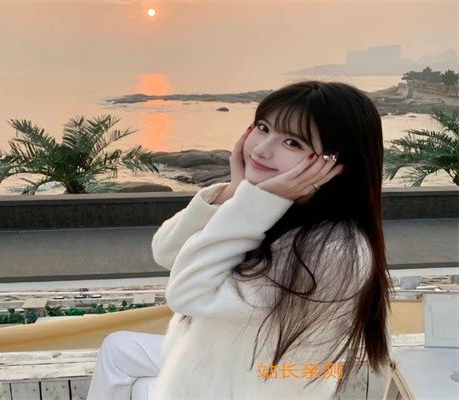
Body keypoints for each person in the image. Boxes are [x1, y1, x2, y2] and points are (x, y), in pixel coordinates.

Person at [87, 80, 392, 400]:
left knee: (128, 379)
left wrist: (252, 204)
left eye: (292, 143)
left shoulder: (334, 249)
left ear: (334, 165)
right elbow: (167, 252)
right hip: (215, 362)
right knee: (118, 350)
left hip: (246, 389)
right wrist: (233, 193)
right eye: (263, 128)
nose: (261, 149)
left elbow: (187, 294)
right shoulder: (278, 208)